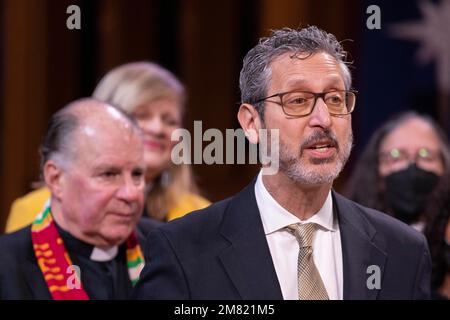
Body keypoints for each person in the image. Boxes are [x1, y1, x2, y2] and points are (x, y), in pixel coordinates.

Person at [132, 26, 431, 300]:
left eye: (335, 99)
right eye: (298, 101)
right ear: (251, 123)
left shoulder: (404, 251)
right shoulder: (183, 250)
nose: (323, 119)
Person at [5, 62, 209, 232]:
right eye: (142, 115)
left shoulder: (200, 215)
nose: (158, 128)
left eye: (170, 121)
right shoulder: (36, 209)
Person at [0, 98, 160, 299]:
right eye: (109, 174)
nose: (131, 194)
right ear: (56, 179)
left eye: (137, 174)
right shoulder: (6, 268)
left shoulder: (164, 249)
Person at [346, 112, 450, 232]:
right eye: (396, 156)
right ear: (375, 166)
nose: (412, 166)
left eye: (425, 155)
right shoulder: (352, 235)